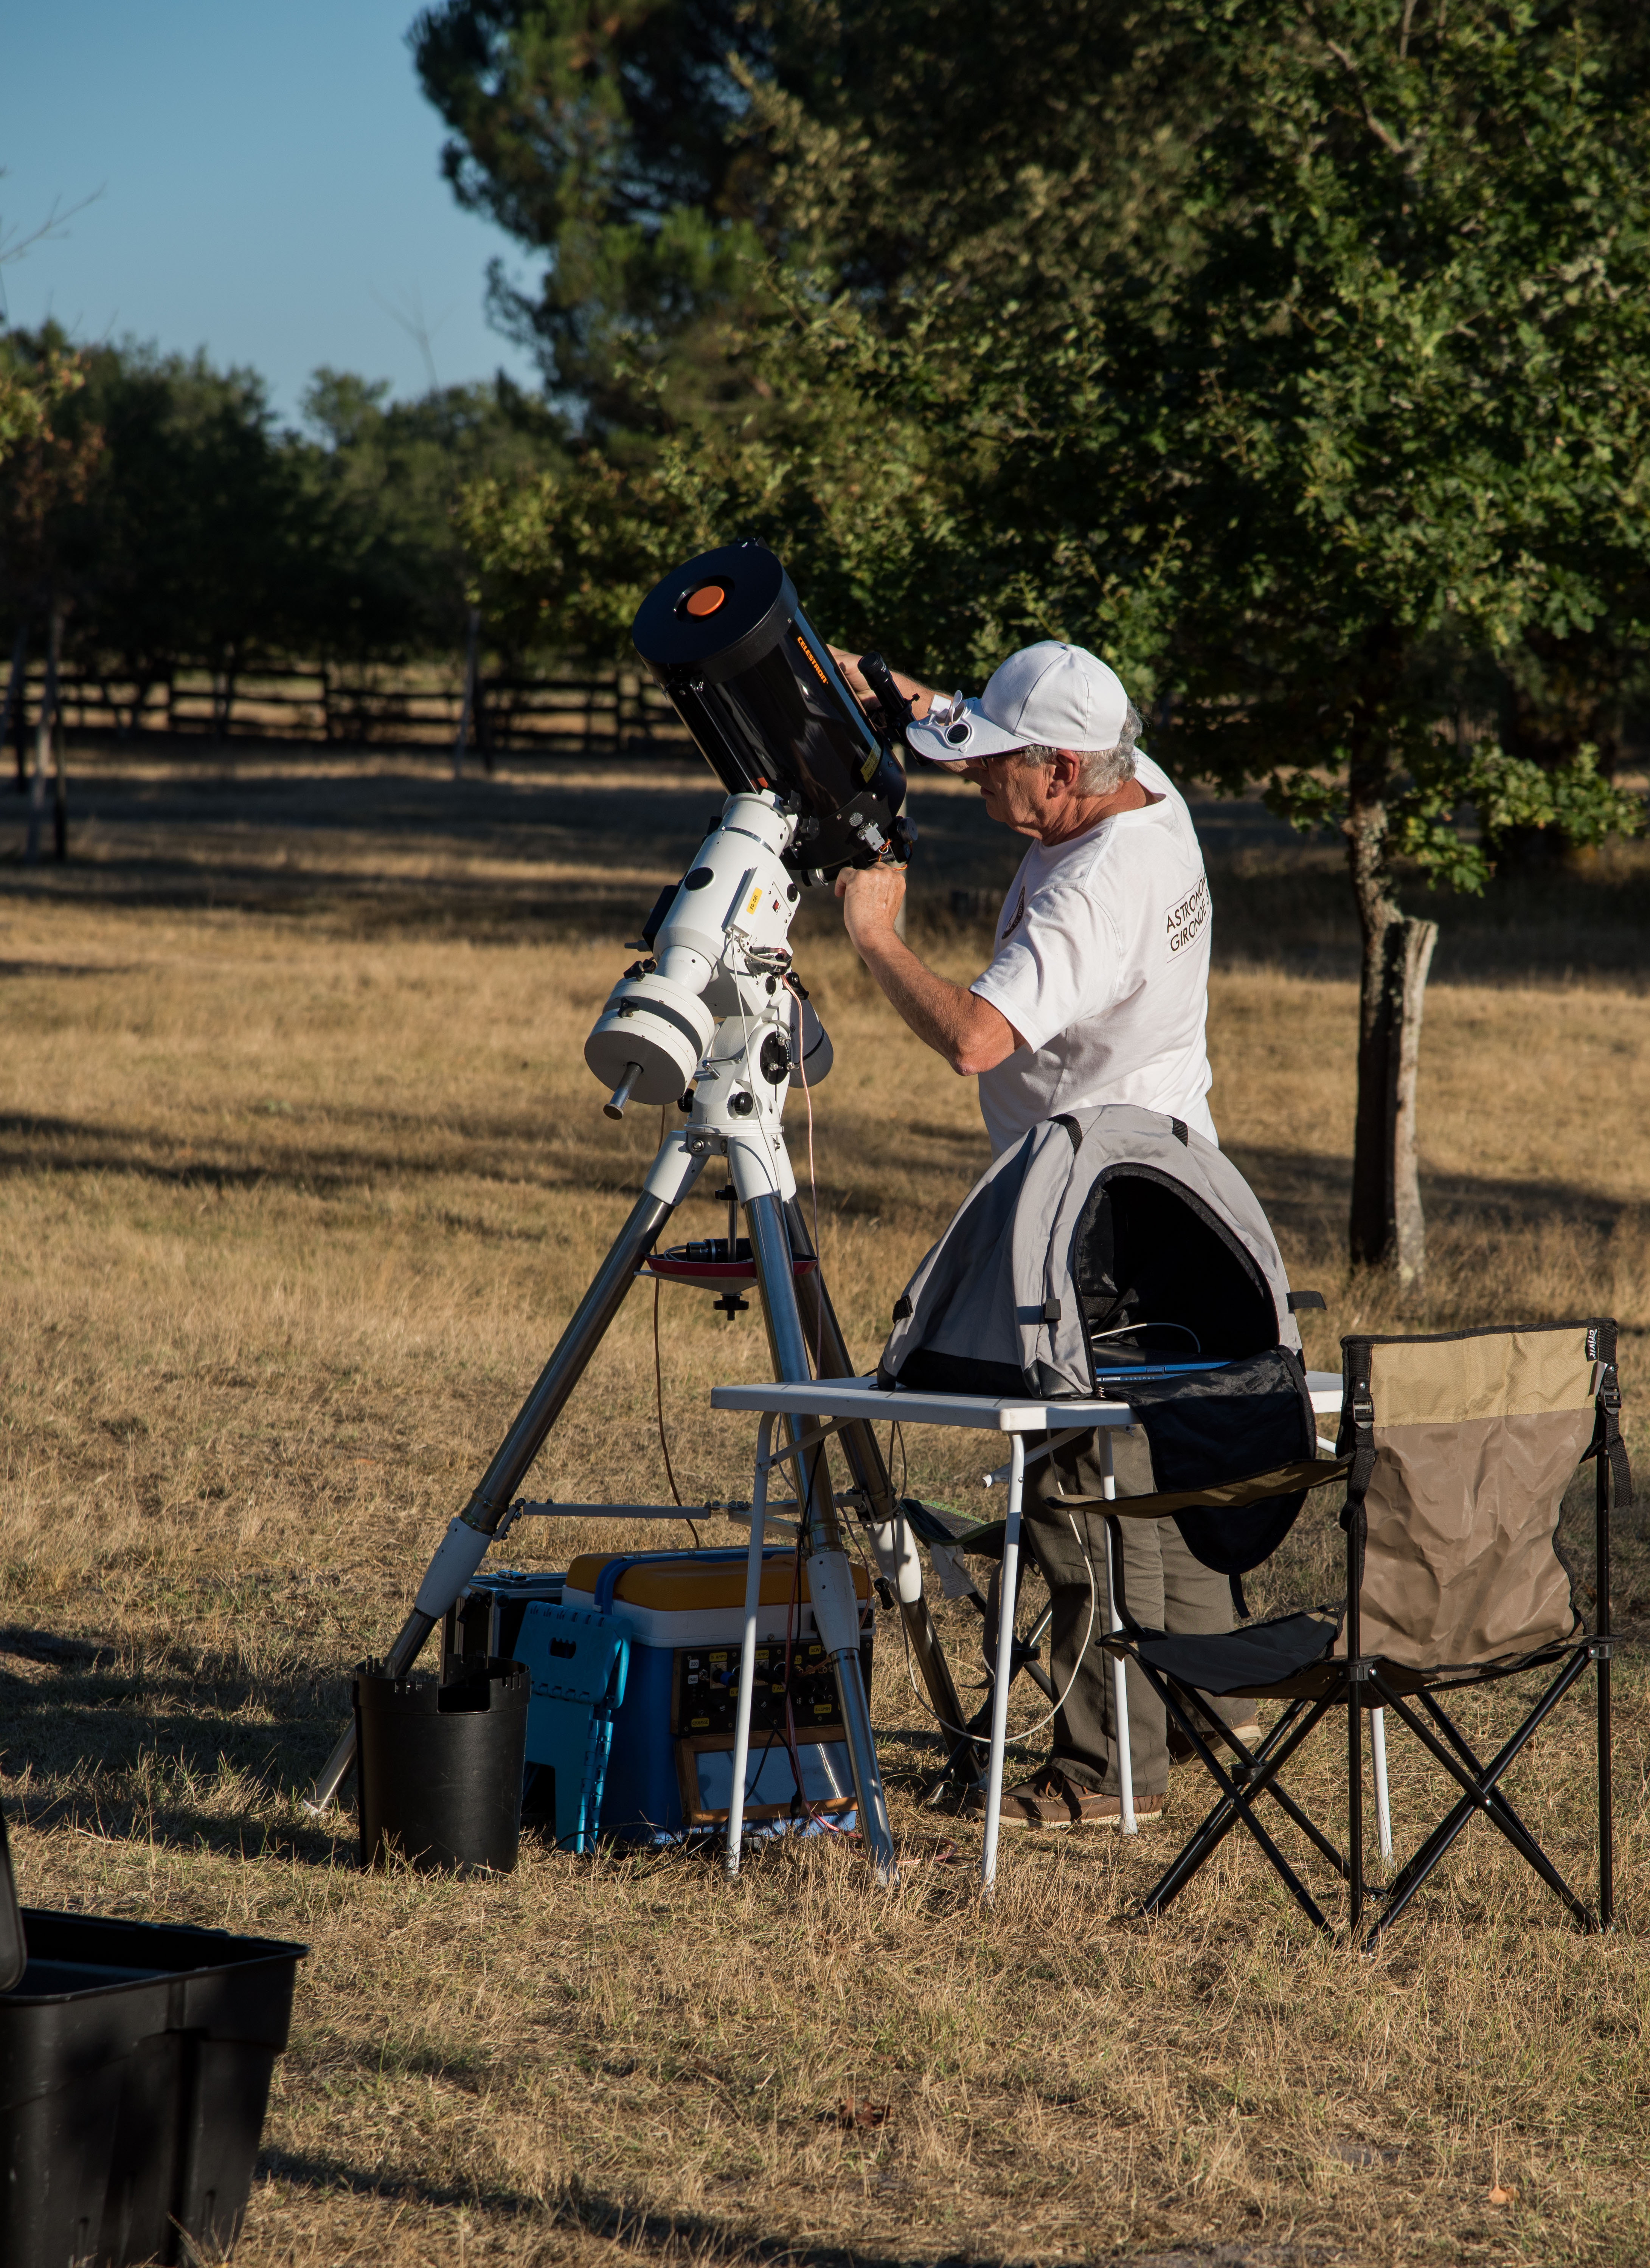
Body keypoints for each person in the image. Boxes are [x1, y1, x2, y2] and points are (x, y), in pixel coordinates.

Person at [831, 638, 1254, 1828]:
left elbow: (976, 1038)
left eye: (992, 768)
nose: (972, 783)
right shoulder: (1138, 781)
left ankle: (1101, 1768)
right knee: (1166, 1458)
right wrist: (908, 698)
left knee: (1077, 1480)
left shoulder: (1090, 893)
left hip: (1091, 1215)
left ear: (1062, 771)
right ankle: (1202, 1711)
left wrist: (875, 934)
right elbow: (1004, 727)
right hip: (1172, 1178)